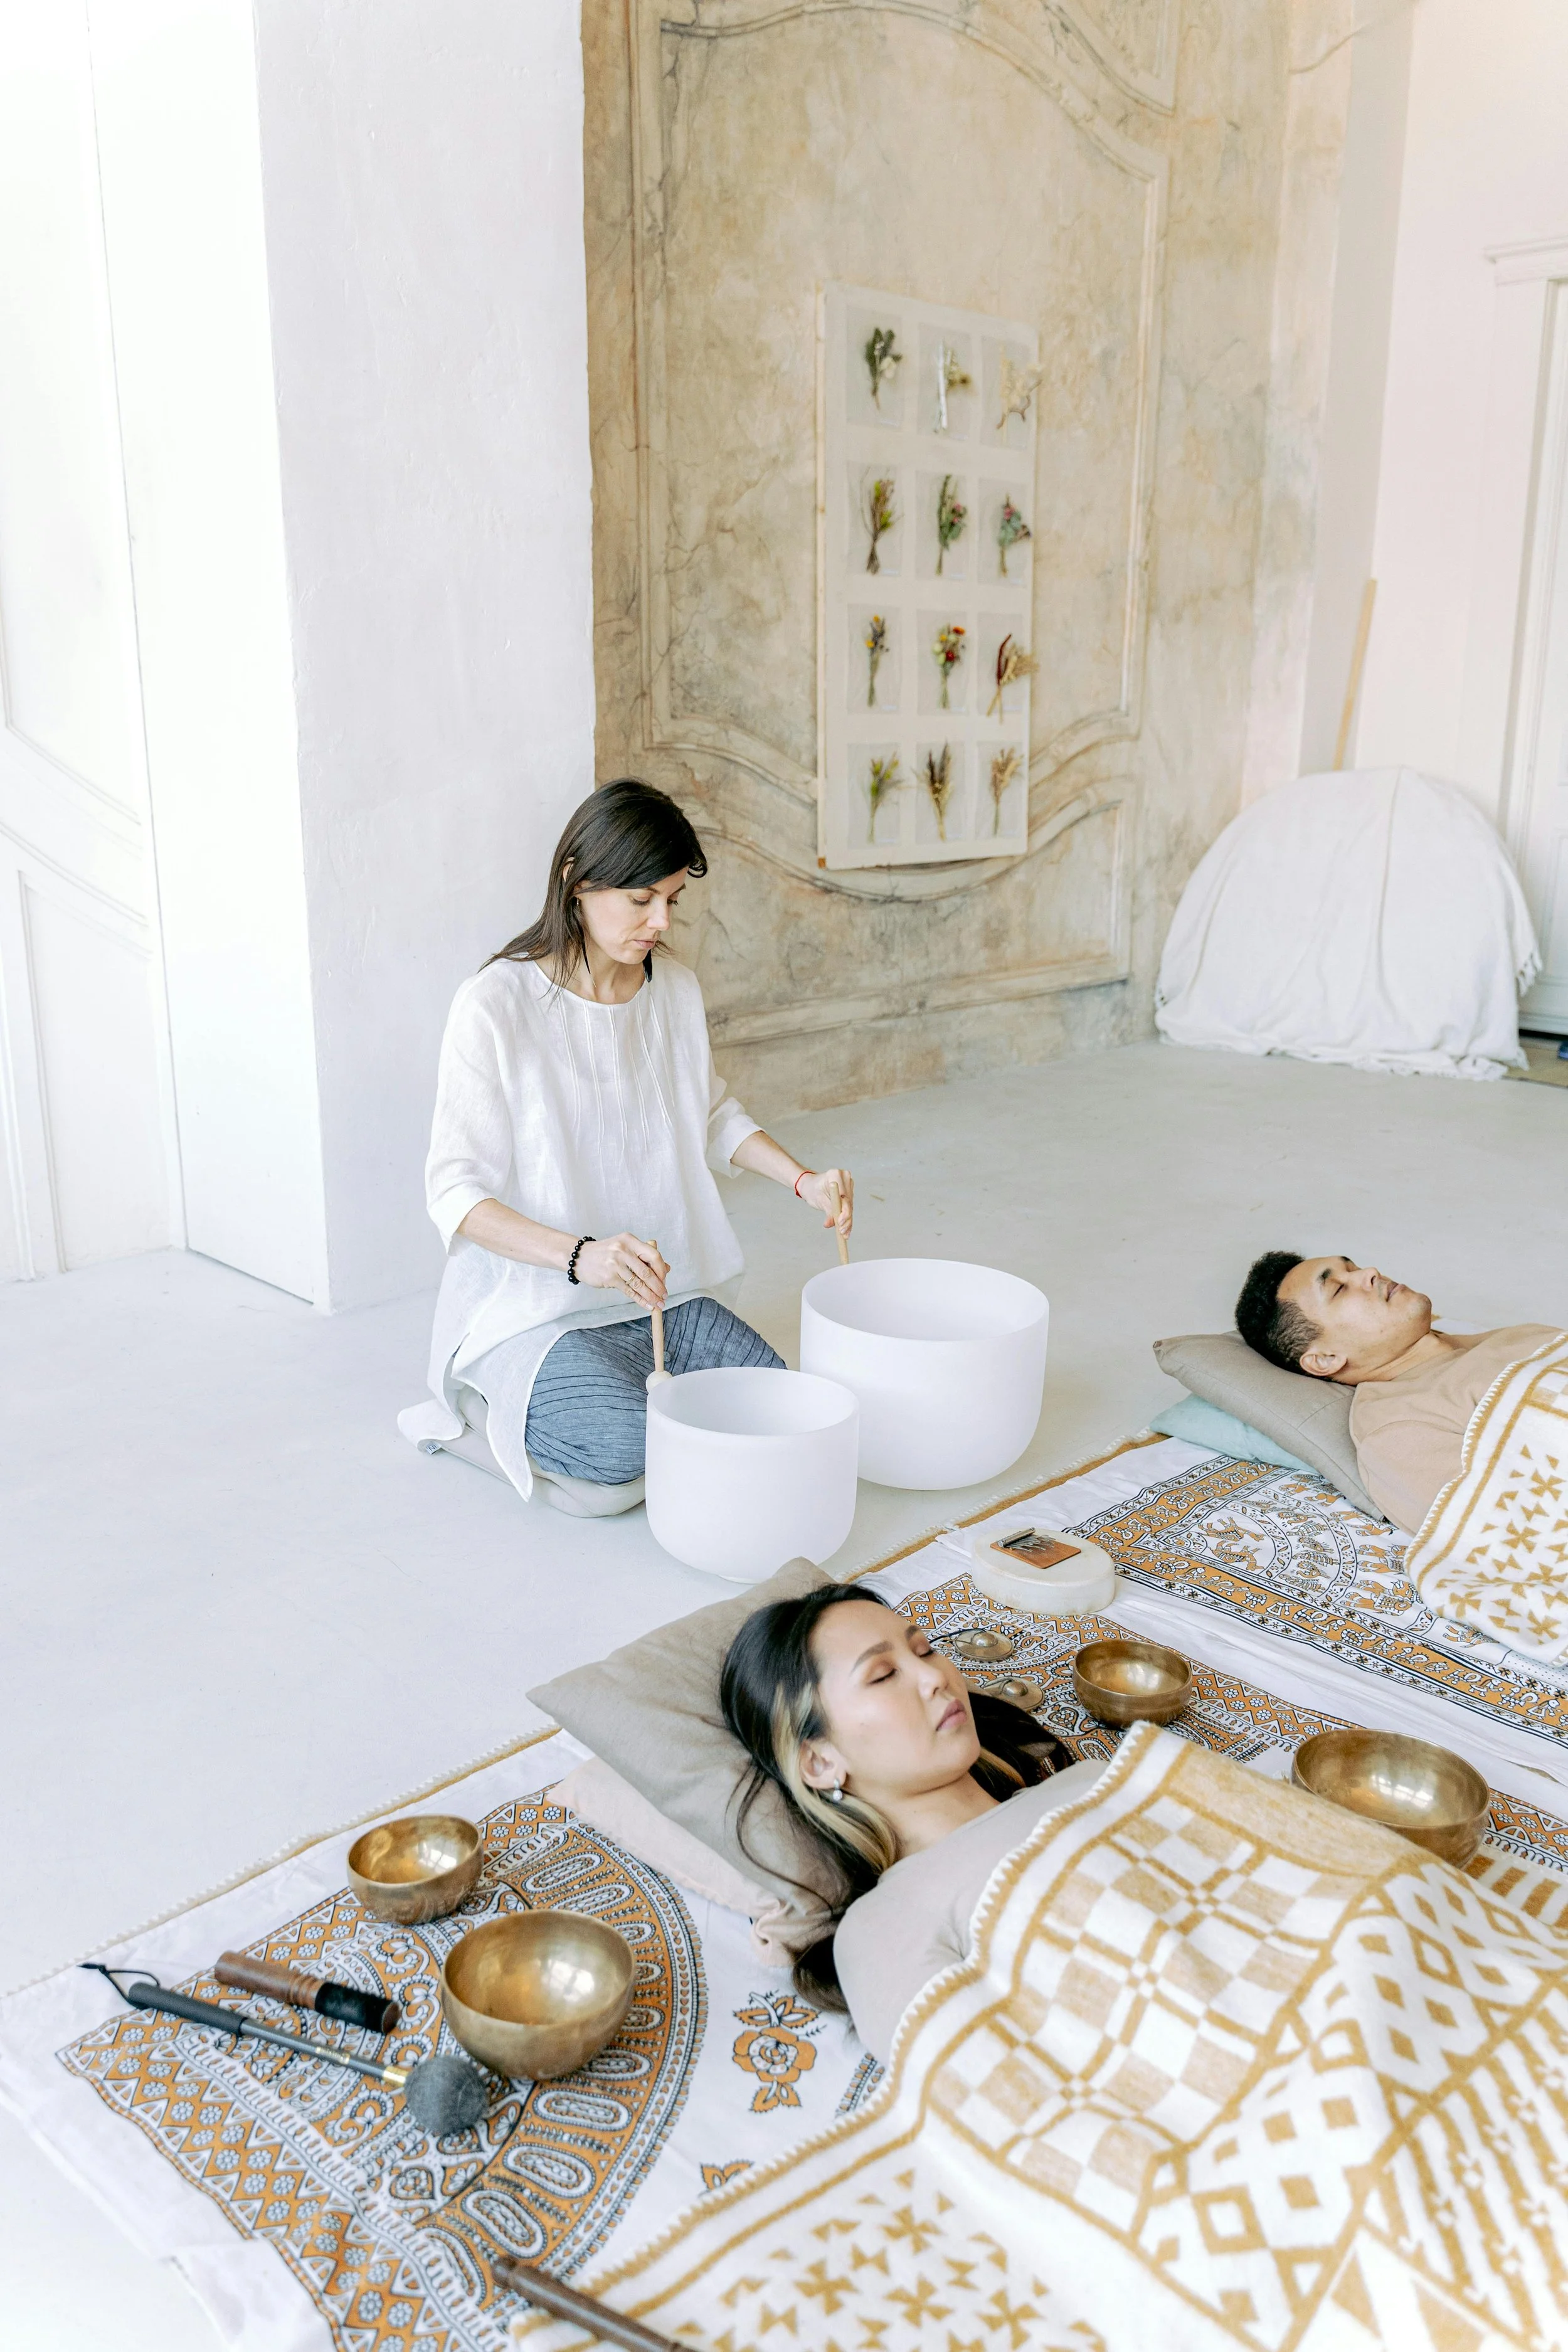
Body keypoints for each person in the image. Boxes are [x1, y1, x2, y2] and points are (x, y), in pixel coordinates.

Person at [411, 778, 856, 1514]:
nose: (659, 921)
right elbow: (455, 1197)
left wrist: (803, 1180)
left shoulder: (673, 990)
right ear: (576, 883)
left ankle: (585, 1442)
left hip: (664, 1295)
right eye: (640, 899)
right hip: (541, 1309)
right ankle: (486, 1408)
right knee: (625, 1454)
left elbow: (710, 1113)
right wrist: (584, 1256)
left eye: (672, 901)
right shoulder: (495, 1006)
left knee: (773, 1407)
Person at [720, 1583, 1103, 2062]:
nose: (933, 1676)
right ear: (819, 1763)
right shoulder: (884, 1927)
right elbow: (979, 2095)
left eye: (926, 1649)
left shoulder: (1097, 1781)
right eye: (883, 1676)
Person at [1234, 1250, 1561, 1535]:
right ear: (1325, 1359)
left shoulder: (1518, 1337)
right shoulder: (1396, 1429)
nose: (1370, 1273)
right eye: (1337, 1289)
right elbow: (1513, 1532)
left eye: (1353, 1267)